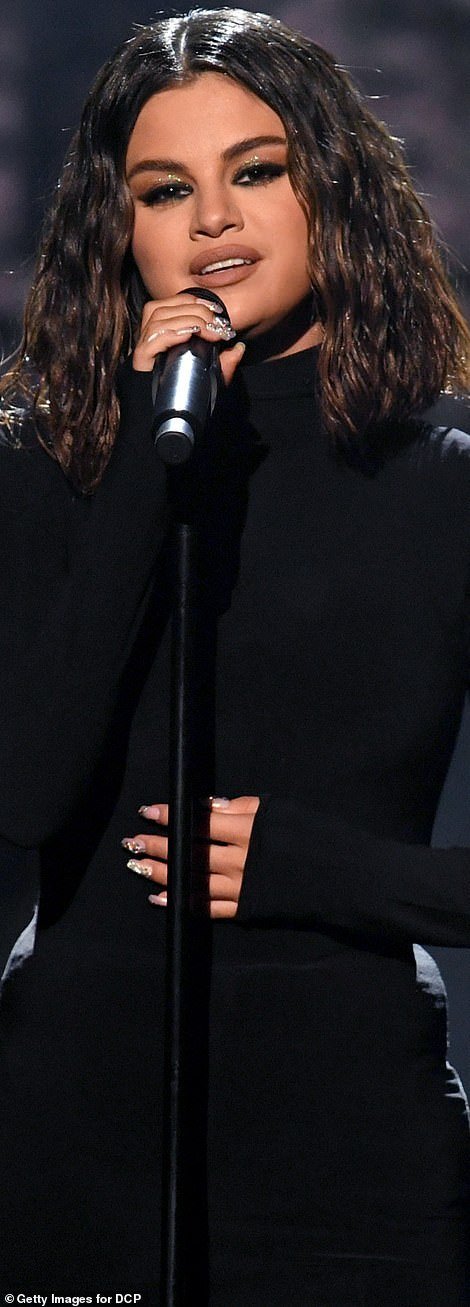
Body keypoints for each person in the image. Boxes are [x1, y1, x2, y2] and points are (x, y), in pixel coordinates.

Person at [0, 7, 469, 1303]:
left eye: (256, 170)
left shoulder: (443, 481)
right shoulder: (40, 464)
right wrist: (142, 459)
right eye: (165, 189)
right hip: (74, 1138)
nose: (213, 218)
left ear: (334, 187)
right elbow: (26, 789)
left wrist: (337, 874)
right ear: (120, 231)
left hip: (351, 1156)